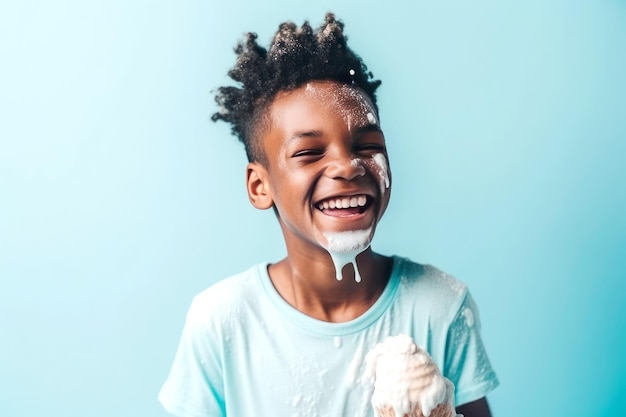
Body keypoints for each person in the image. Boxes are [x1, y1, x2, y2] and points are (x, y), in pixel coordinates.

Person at [159, 13, 499, 417]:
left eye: (367, 145)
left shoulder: (440, 305)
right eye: (308, 152)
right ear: (259, 186)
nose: (348, 166)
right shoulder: (221, 321)